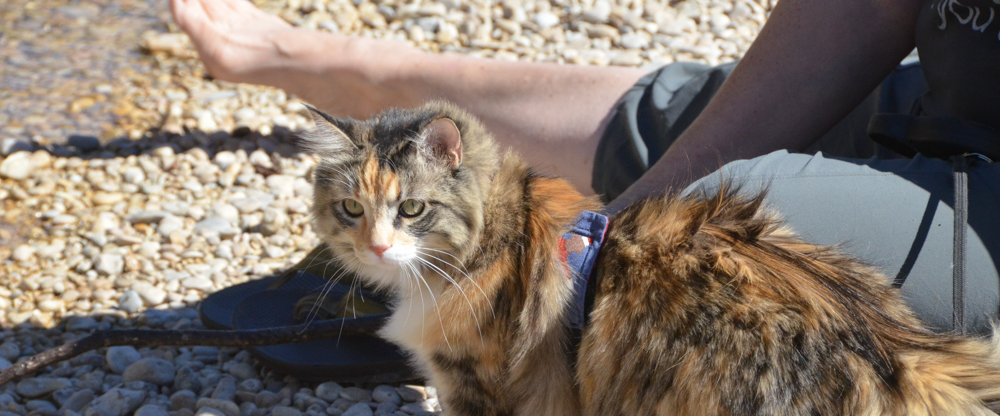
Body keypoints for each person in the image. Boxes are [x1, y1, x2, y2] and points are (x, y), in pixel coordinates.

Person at [171, 0, 1000, 334]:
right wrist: (624, 211)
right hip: (965, 74)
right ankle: (328, 61)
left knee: (722, 233)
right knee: (679, 123)